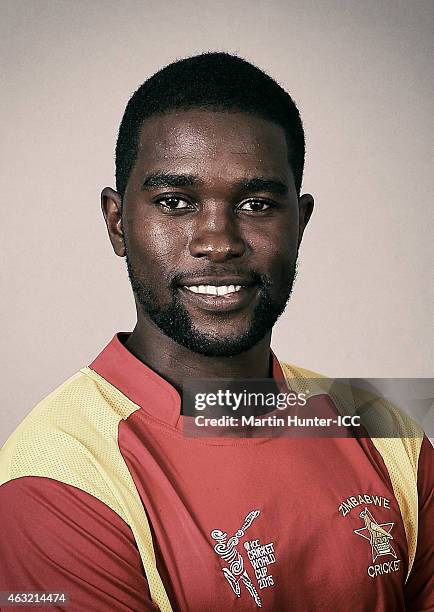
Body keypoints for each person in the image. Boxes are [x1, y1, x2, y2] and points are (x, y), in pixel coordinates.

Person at [0, 53, 432, 612]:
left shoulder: (383, 427)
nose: (218, 241)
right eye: (175, 203)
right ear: (116, 223)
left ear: (299, 223)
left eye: (256, 204)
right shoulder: (56, 480)